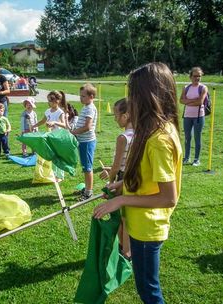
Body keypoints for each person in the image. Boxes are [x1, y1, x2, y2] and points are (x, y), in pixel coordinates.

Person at [93, 62, 183, 304]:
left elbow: (168, 197)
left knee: (149, 291)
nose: (130, 99)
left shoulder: (159, 139)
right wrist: (123, 186)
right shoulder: (157, 130)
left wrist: (122, 200)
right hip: (142, 224)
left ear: (146, 96)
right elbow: (149, 179)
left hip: (147, 229)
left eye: (133, 93)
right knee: (147, 287)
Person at [98, 98, 134, 259]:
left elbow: (116, 165)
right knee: (127, 216)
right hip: (133, 178)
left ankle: (125, 252)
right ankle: (125, 249)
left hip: (122, 179)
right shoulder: (140, 134)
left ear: (126, 116)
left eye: (116, 115)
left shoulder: (123, 137)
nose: (115, 119)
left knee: (122, 217)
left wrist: (111, 181)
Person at [71, 83, 98, 201]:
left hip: (87, 142)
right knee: (85, 166)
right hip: (83, 141)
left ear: (91, 96)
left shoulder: (90, 108)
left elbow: (87, 127)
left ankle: (88, 193)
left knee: (87, 168)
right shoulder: (86, 107)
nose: (80, 98)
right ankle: (87, 188)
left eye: (83, 96)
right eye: (80, 96)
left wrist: (74, 132)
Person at [180, 66, 208, 166]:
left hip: (199, 116)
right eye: (195, 76)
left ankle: (196, 159)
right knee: (187, 137)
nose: (197, 78)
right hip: (187, 116)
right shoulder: (186, 87)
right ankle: (186, 158)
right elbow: (181, 100)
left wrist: (188, 102)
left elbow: (200, 102)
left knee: (197, 137)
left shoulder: (203, 88)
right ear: (190, 76)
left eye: (199, 76)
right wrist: (193, 101)